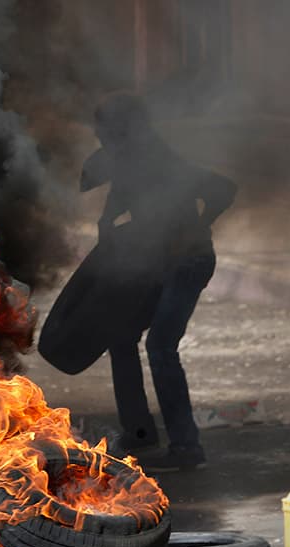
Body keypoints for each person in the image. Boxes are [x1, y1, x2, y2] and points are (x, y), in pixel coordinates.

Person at [80, 92, 237, 472]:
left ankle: (187, 448)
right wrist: (107, 223)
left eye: (105, 135)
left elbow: (223, 188)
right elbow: (121, 194)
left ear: (122, 131)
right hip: (159, 264)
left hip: (188, 263)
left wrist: (199, 226)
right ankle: (139, 433)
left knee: (161, 346)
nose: (102, 143)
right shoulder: (130, 162)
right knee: (121, 337)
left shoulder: (162, 161)